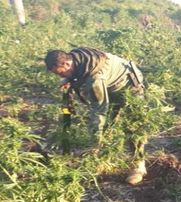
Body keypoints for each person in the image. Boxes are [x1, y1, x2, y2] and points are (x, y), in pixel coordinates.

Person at [44, 47, 147, 184]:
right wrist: (70, 79)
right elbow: (78, 73)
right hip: (111, 82)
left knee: (132, 126)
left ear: (67, 64)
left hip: (129, 85)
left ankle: (138, 166)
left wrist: (94, 142)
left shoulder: (95, 79)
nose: (60, 77)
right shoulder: (76, 58)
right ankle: (103, 159)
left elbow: (99, 111)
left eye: (61, 74)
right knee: (109, 124)